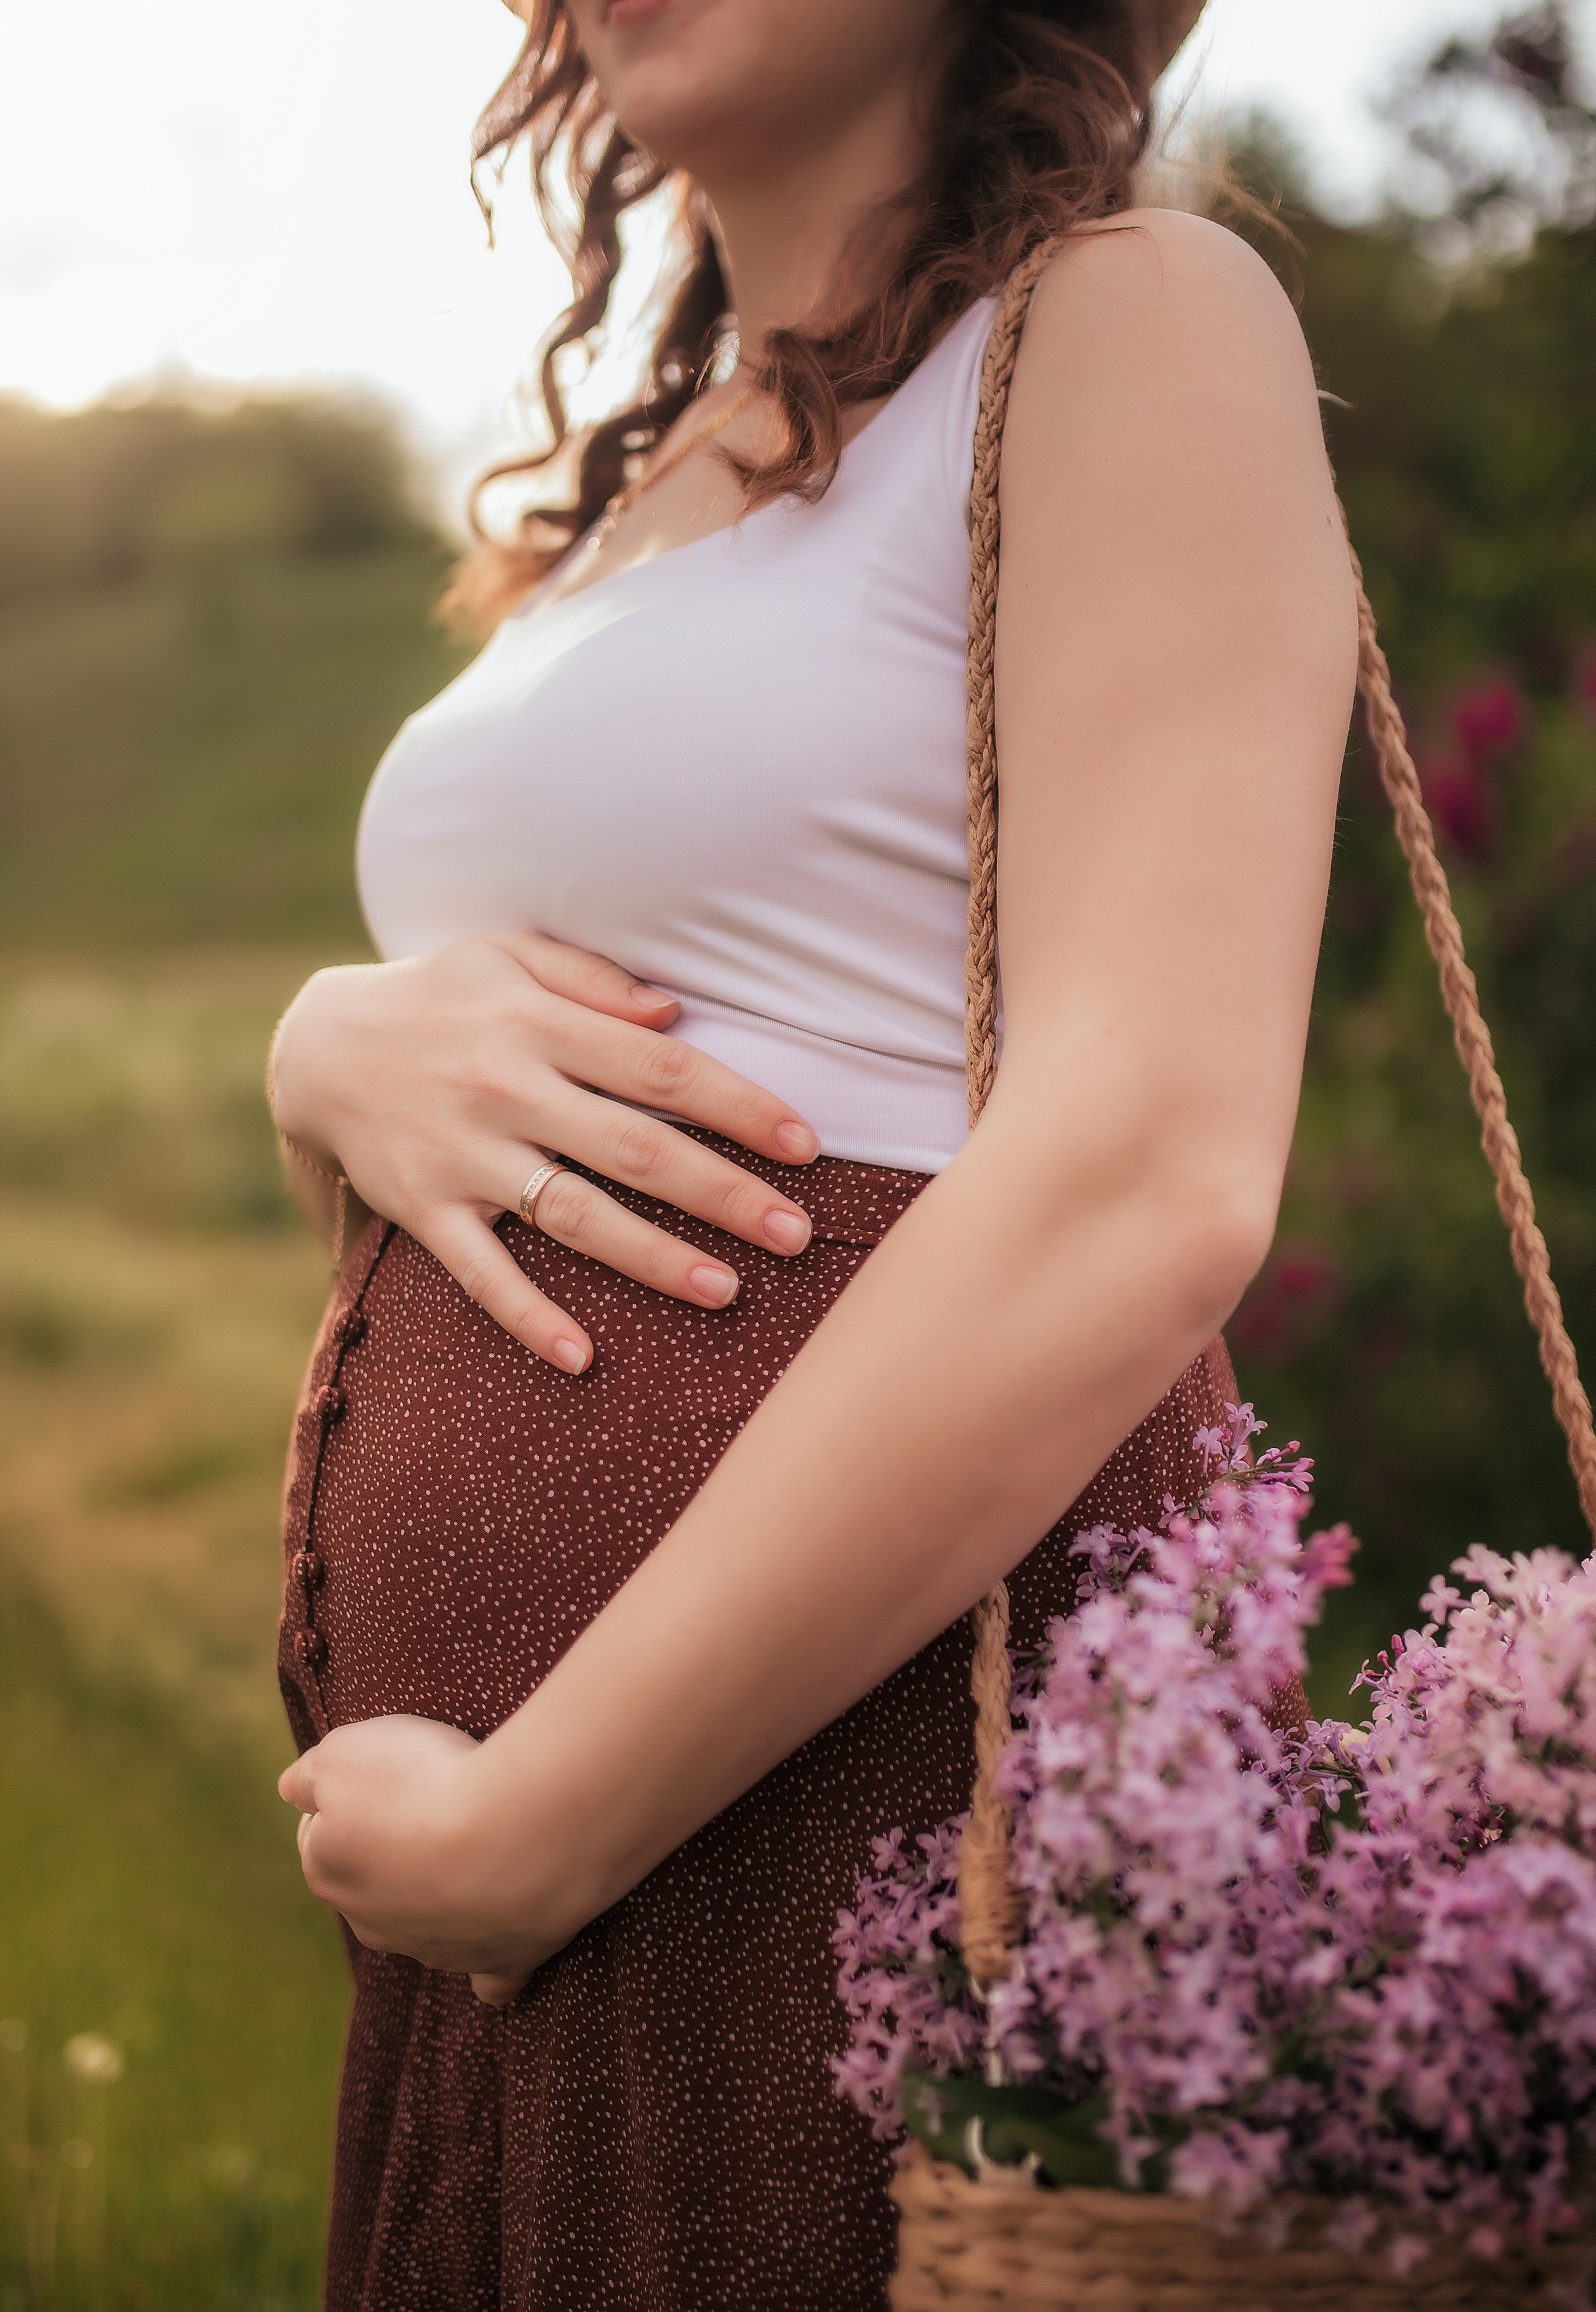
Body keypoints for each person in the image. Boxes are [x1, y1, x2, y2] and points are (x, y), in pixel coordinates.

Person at [267, 0, 1355, 2303]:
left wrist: (545, 1817)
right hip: (527, 1896)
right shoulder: (638, 485)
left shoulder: (1132, 319)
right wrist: (326, 1053)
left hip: (859, 1813)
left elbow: (1152, 1159)